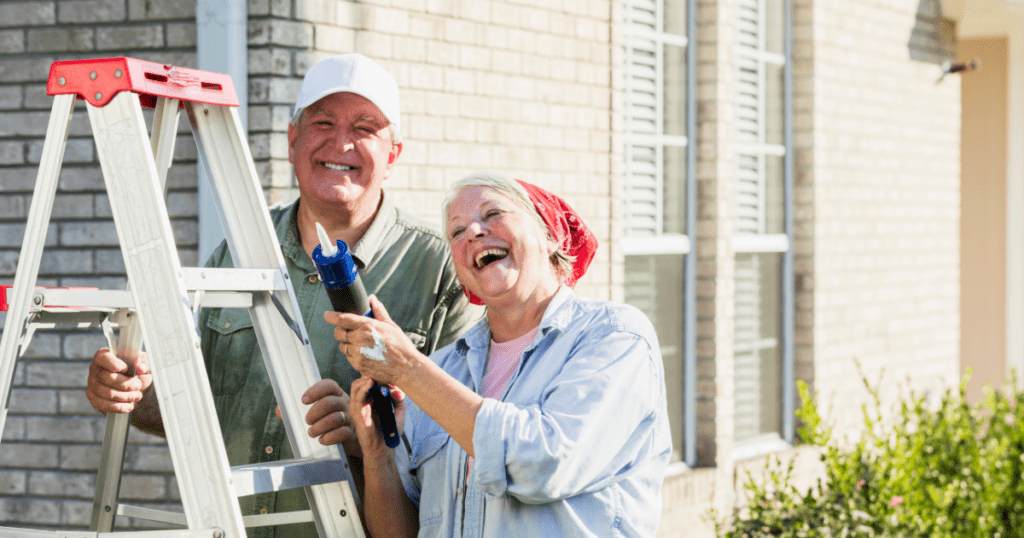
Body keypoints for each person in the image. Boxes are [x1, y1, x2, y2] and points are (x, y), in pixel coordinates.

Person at [84, 53, 482, 536]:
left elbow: (469, 437)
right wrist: (132, 390)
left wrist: (368, 435)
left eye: (365, 127)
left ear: (393, 154)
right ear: (293, 140)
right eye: (322, 122)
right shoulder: (240, 249)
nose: (341, 142)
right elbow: (190, 409)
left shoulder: (440, 266)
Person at [329, 171, 672, 537]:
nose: (473, 232)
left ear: (549, 234)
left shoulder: (614, 337)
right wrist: (378, 454)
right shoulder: (446, 369)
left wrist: (408, 368)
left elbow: (542, 464)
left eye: (493, 214)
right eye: (457, 232)